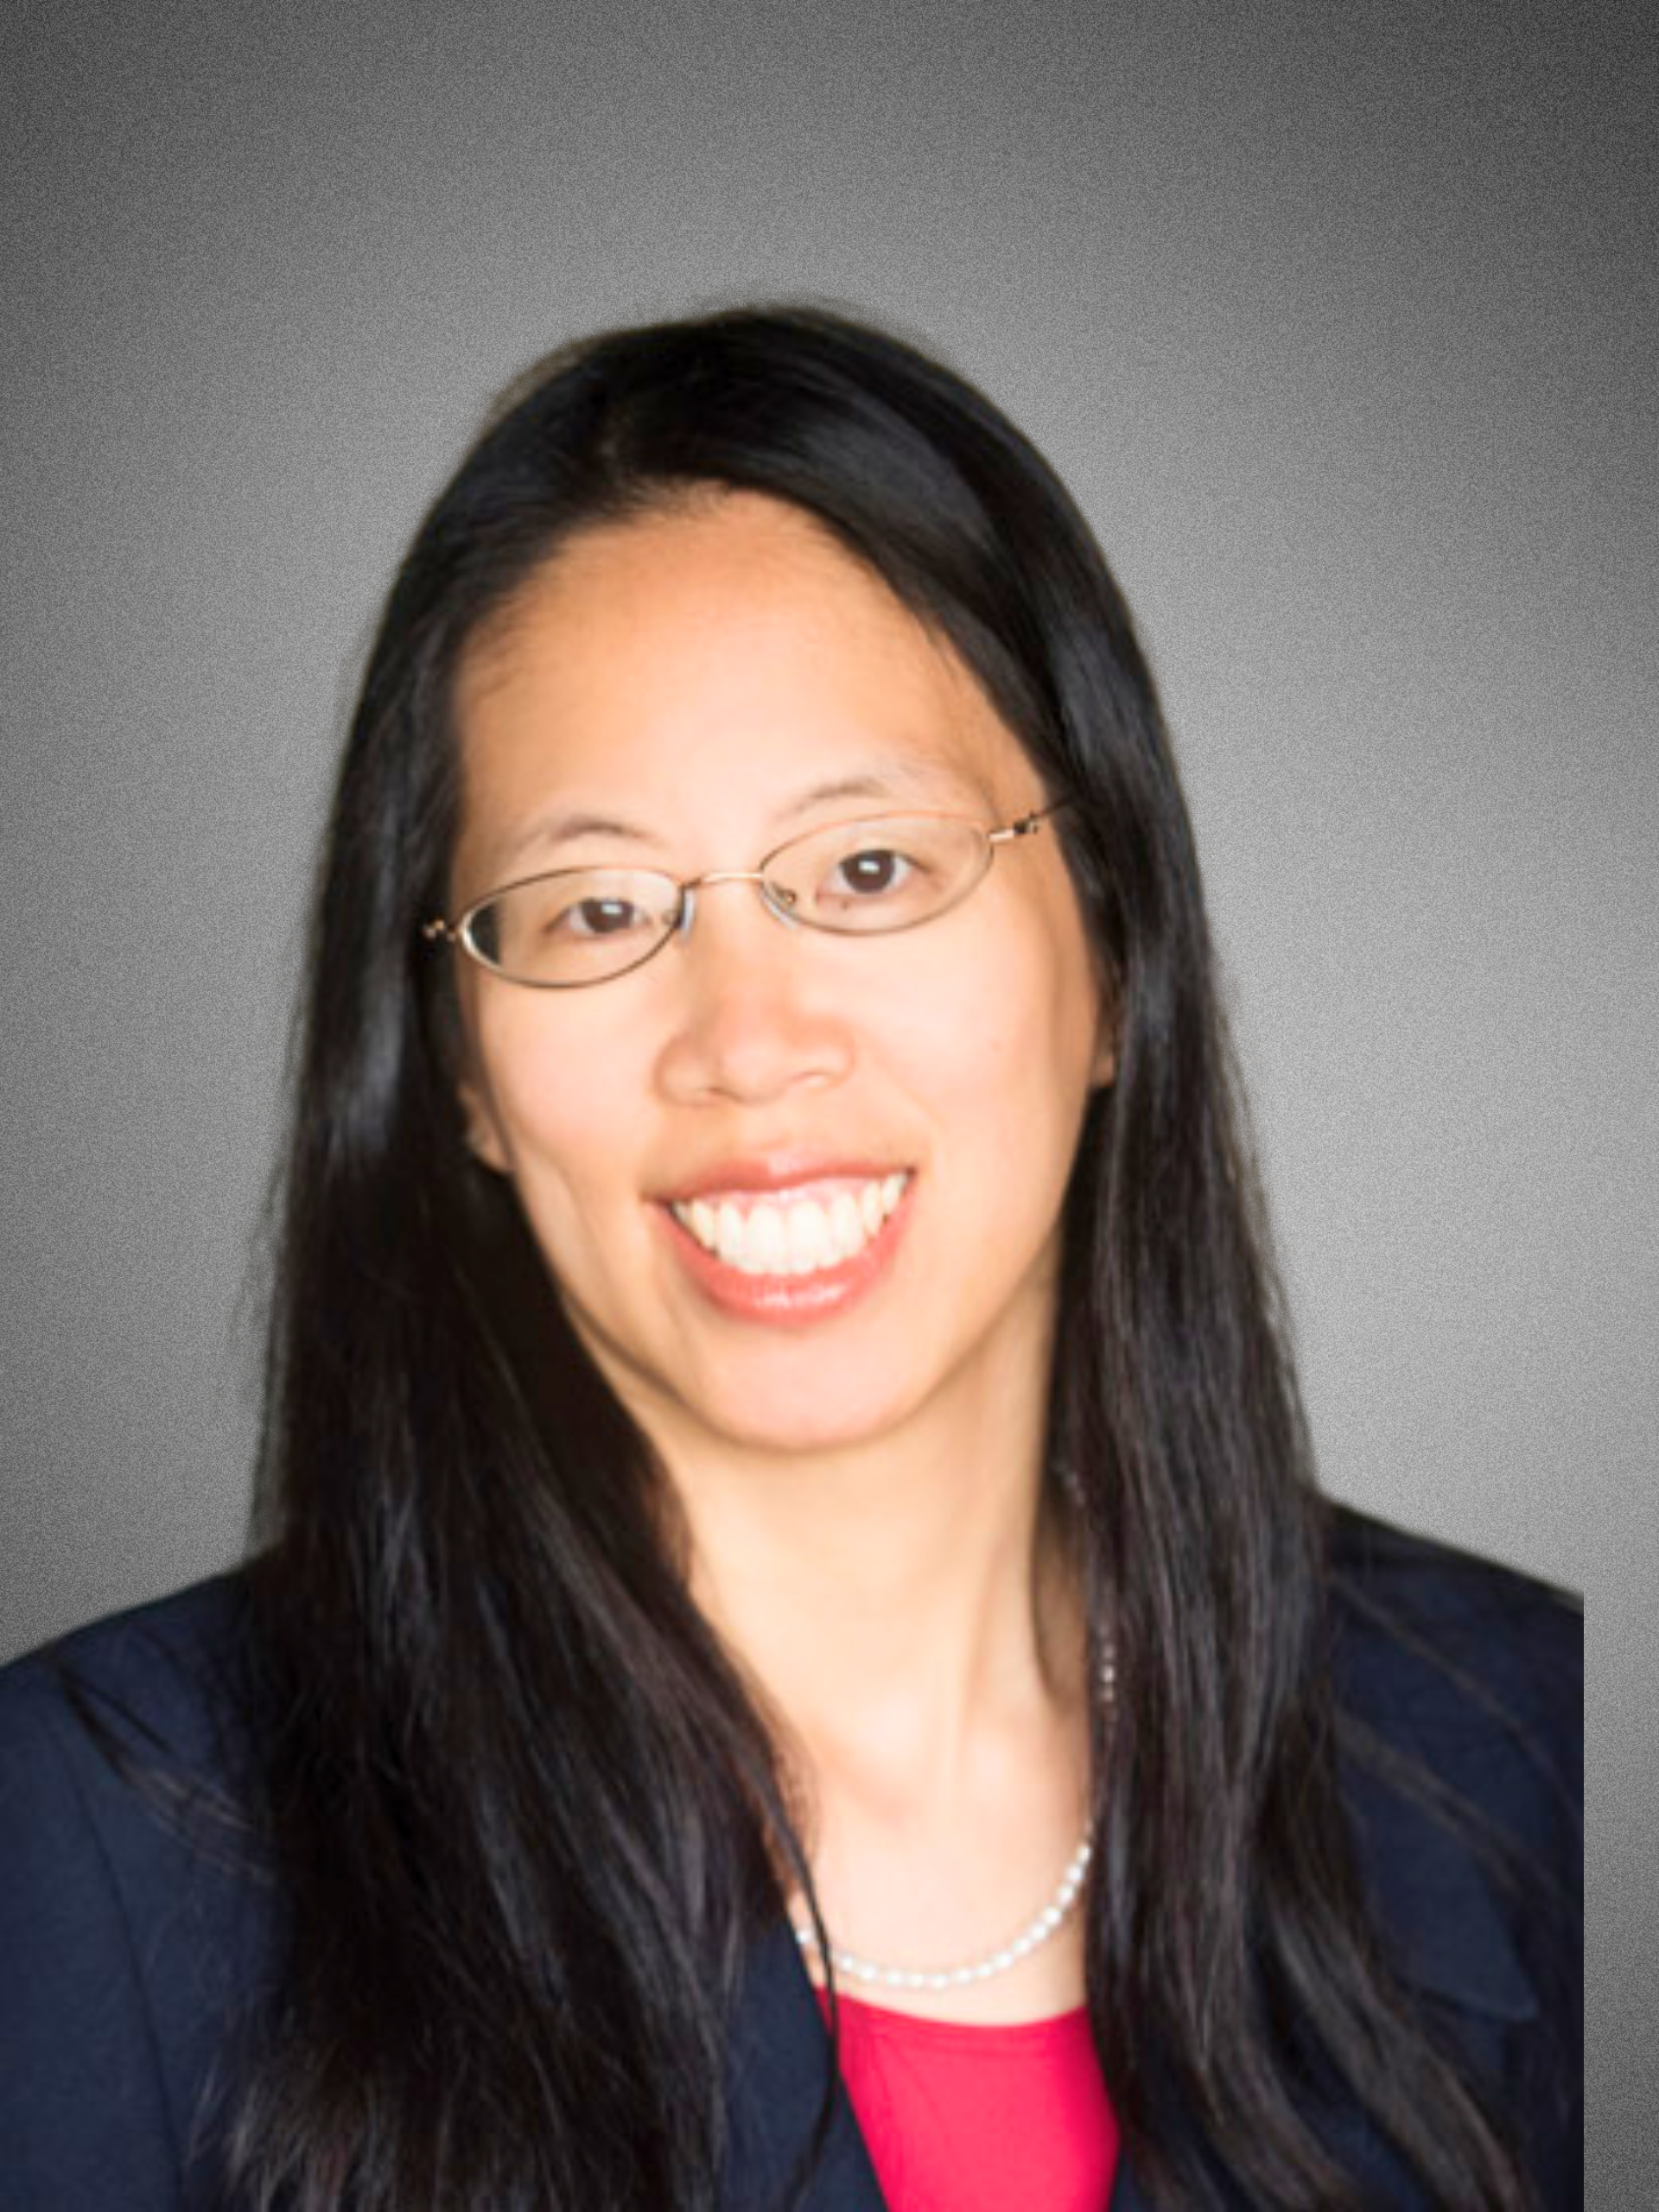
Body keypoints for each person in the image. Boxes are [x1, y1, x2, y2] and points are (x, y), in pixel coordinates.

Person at [0, 306, 1580, 2211]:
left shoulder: (1531, 1748)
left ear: (1117, 960)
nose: (747, 1037)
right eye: (593, 907)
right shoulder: (102, 1837)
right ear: (463, 1078)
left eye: (869, 871)